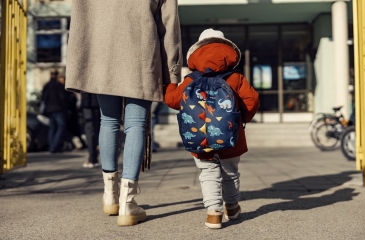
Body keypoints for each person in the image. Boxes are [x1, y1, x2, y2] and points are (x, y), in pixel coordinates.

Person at [65, 1, 182, 226]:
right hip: (141, 53)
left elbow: (80, 19)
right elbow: (169, 25)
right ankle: (127, 203)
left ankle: (110, 196)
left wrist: (81, 61)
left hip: (101, 56)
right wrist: (172, 72)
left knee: (107, 121)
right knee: (136, 124)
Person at [164, 29, 260, 229]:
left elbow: (173, 100)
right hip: (231, 135)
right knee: (230, 172)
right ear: (228, 51)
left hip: (199, 138)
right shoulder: (236, 78)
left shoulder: (191, 80)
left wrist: (171, 86)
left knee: (208, 173)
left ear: (196, 53)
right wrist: (243, 119)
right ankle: (232, 207)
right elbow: (252, 101)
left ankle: (213, 213)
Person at [42, 70, 70, 153]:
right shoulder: (59, 86)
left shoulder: (47, 85)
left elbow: (44, 98)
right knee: (61, 127)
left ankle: (52, 146)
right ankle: (54, 146)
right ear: (57, 76)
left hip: (50, 109)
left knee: (52, 128)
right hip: (59, 109)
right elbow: (63, 98)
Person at [80, 93, 101, 168]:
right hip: (102, 99)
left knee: (90, 129)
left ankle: (92, 158)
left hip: (89, 102)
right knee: (102, 126)